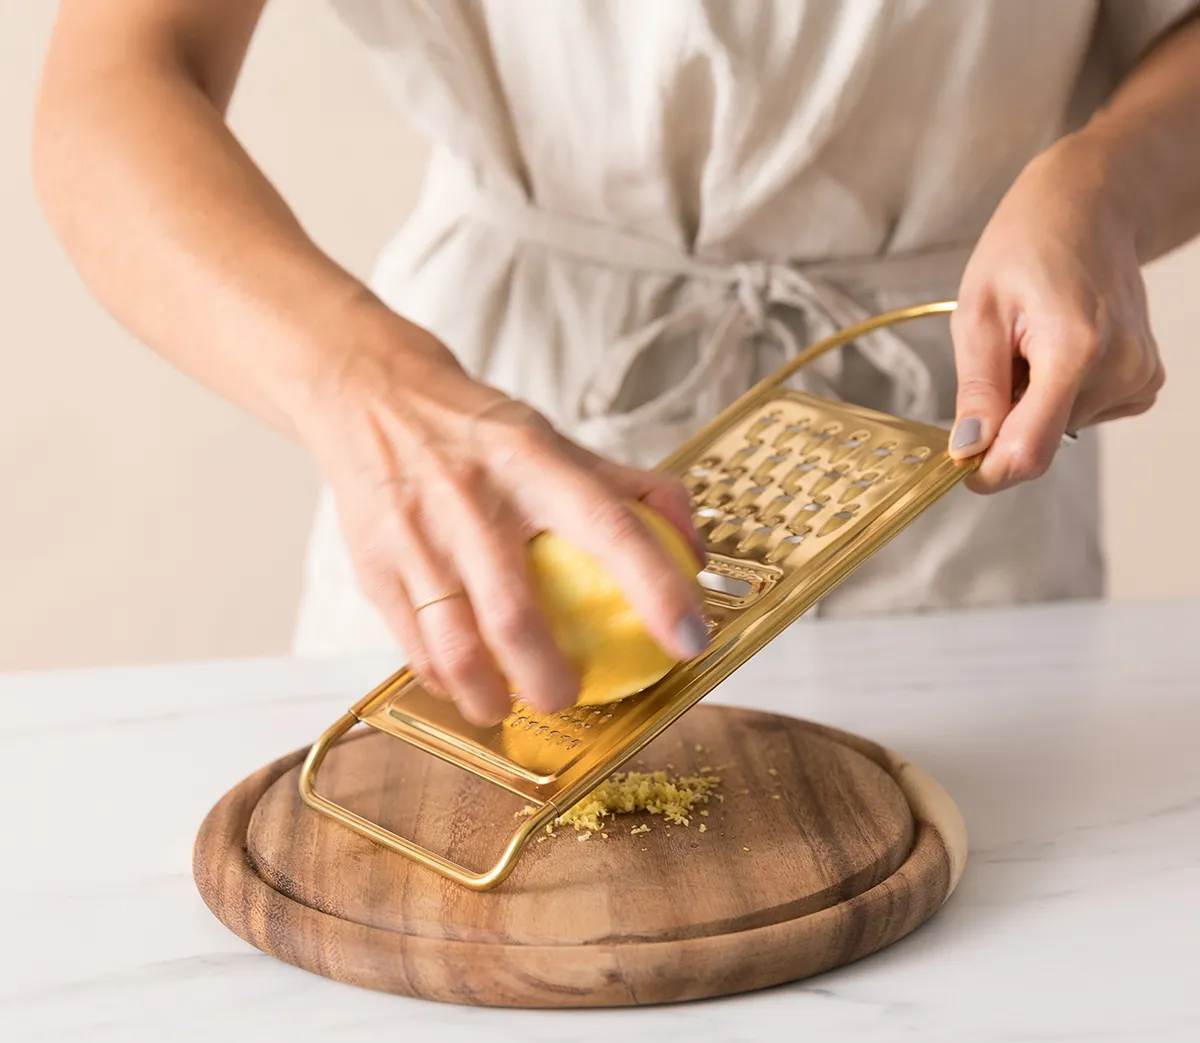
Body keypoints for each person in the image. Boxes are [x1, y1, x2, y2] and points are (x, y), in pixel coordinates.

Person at [34, 1, 1200, 727]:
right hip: (481, 452)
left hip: (950, 453)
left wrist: (1108, 178)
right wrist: (373, 395)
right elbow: (118, 77)